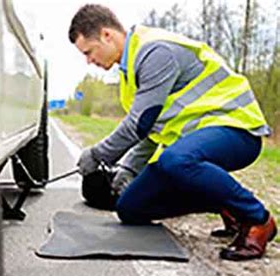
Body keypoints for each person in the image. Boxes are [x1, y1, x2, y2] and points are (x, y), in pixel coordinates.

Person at [69, 4, 277, 261]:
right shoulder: (130, 71)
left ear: (106, 35)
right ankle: (226, 202)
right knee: (130, 208)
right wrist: (129, 170)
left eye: (89, 52)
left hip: (237, 130)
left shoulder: (155, 52)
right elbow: (152, 129)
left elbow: (139, 123)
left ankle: (258, 219)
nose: (89, 61)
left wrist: (99, 154)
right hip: (192, 144)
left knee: (174, 161)